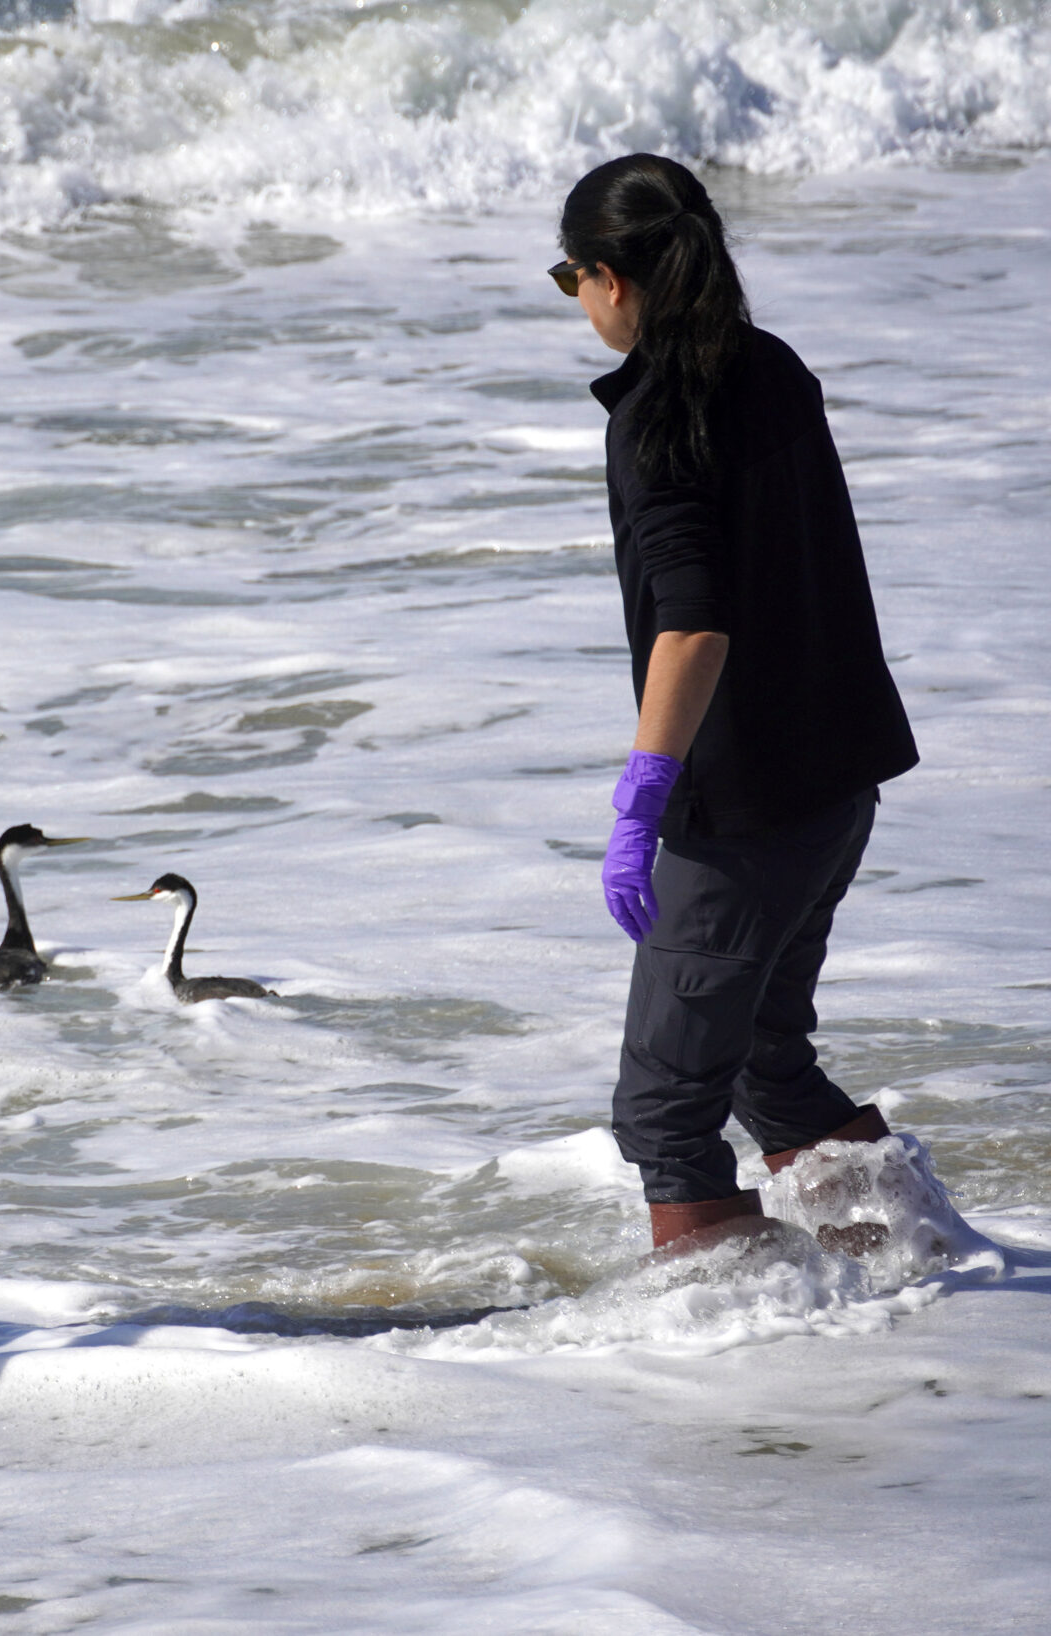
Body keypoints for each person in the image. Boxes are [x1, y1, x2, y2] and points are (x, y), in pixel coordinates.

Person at [556, 154, 921, 1253]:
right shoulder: (769, 367)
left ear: (612, 280)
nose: (572, 296)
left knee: (664, 1107)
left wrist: (641, 796)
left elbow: (693, 623)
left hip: (748, 813)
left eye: (567, 273)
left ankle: (731, 1358)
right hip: (836, 783)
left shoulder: (657, 416)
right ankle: (914, 1259)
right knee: (764, 1048)